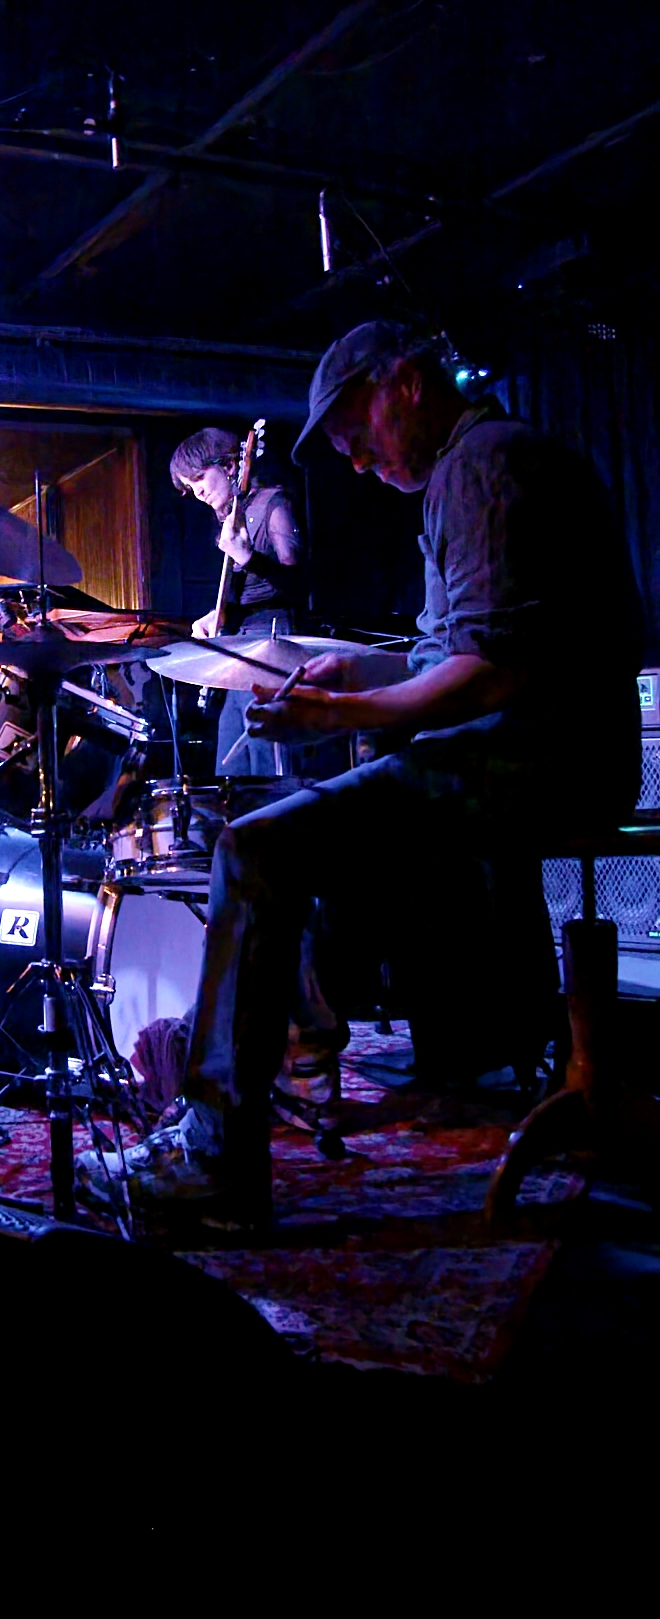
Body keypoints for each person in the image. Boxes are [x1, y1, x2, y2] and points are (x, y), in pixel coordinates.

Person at [82, 321, 644, 1223]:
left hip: (545, 763)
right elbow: (457, 657)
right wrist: (359, 671)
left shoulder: (483, 465)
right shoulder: (477, 465)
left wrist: (341, 714)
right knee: (315, 832)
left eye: (353, 428)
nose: (351, 458)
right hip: (544, 752)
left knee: (255, 848)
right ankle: (301, 1039)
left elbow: (492, 675)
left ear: (406, 384)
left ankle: (221, 1157)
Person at [169, 427, 310, 776]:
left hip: (276, 639)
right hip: (242, 643)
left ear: (231, 466)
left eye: (199, 478)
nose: (198, 492)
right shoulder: (230, 518)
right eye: (190, 486)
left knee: (269, 766)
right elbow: (247, 593)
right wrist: (217, 615)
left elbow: (299, 584)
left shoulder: (274, 503)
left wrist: (247, 557)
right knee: (231, 769)